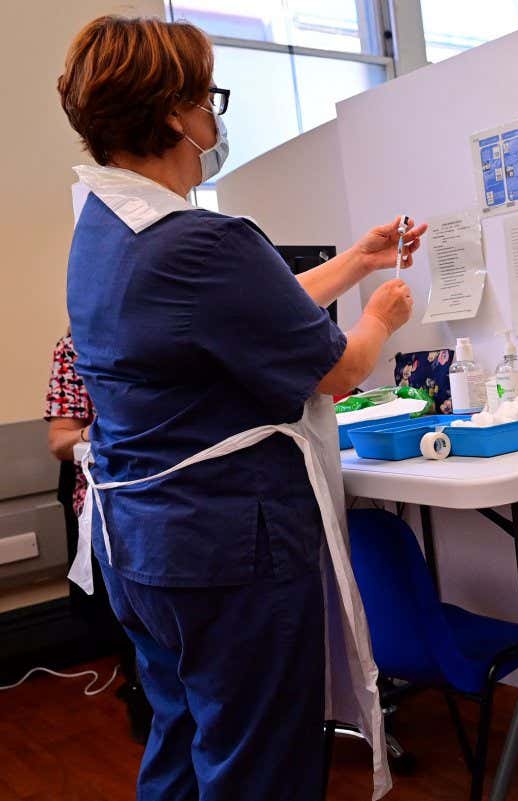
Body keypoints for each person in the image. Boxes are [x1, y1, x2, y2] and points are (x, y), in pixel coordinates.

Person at [57, 16, 427, 800]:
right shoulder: (202, 241)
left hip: (147, 551)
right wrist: (381, 313)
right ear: (172, 115)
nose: (213, 119)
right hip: (227, 551)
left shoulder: (106, 229)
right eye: (207, 99)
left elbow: (239, 315)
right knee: (261, 763)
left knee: (184, 742)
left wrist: (353, 262)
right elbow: (335, 371)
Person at [45, 331, 153, 743]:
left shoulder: (181, 325)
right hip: (116, 507)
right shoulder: (76, 346)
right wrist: (105, 431)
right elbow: (60, 443)